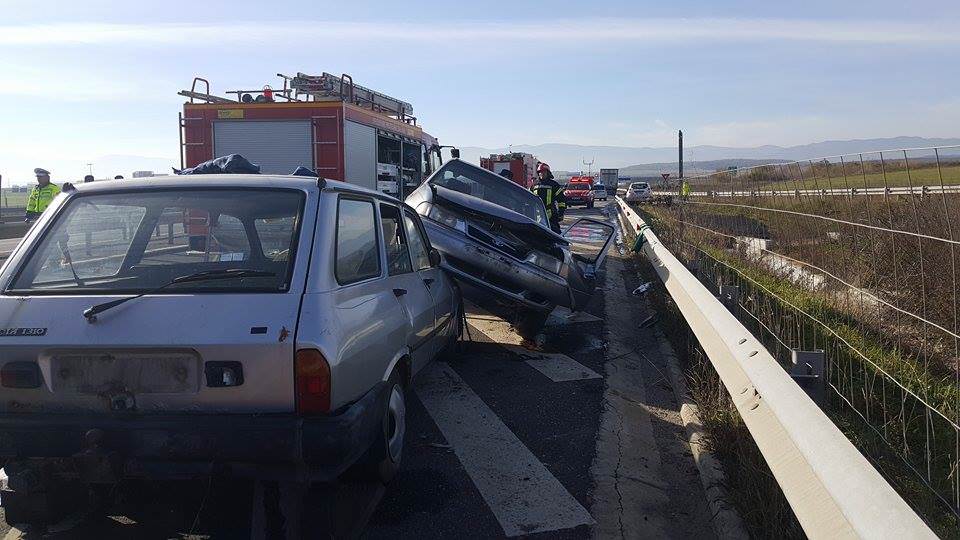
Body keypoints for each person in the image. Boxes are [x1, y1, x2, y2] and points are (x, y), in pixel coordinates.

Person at [531, 162, 566, 233]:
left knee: (556, 234)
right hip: (537, 216)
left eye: (544, 172)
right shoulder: (534, 185)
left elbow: (561, 200)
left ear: (548, 173)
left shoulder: (554, 185)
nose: (542, 174)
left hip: (551, 215)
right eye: (540, 172)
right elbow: (529, 199)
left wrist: (561, 212)